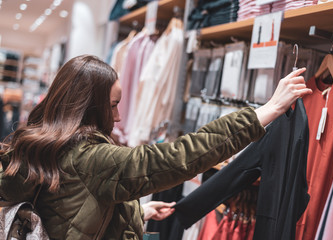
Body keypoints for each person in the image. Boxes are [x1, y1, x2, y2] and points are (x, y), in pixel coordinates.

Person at [0, 55, 311, 239]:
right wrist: (265, 111)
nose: (119, 116)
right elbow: (181, 156)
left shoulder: (39, 145)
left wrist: (139, 211)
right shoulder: (92, 159)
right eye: (112, 106)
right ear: (88, 108)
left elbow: (73, 205)